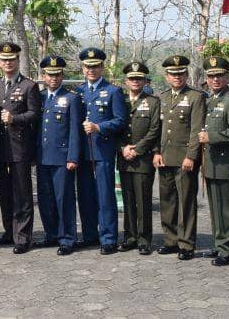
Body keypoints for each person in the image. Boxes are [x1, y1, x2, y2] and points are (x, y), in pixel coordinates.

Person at [75, 47, 127, 255]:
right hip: (82, 153)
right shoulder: (78, 92)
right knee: (86, 196)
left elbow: (120, 120)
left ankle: (108, 238)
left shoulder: (113, 91)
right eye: (88, 66)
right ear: (83, 68)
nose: (91, 70)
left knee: (105, 196)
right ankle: (90, 235)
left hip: (102, 150)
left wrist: (99, 127)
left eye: (96, 66)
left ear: (102, 67)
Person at [0, 42, 41, 253]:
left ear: (18, 61)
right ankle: (9, 230)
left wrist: (14, 118)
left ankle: (23, 237)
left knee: (22, 193)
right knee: (4, 192)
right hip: (0, 149)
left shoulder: (29, 86)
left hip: (19, 147)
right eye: (4, 60)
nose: (8, 63)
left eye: (12, 59)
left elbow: (34, 114)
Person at [154, 55, 205, 261]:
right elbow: (157, 129)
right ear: (167, 76)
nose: (177, 77)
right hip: (165, 157)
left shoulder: (195, 97)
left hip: (184, 158)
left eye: (181, 73)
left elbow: (196, 129)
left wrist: (191, 156)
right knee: (167, 201)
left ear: (186, 75)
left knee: (186, 202)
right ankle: (171, 240)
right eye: (173, 74)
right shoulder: (162, 97)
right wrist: (156, 152)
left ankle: (186, 243)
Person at [197, 56, 229, 266]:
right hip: (212, 163)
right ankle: (219, 244)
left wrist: (212, 138)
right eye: (211, 76)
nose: (215, 79)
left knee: (227, 208)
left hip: (226, 163)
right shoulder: (210, 99)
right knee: (216, 207)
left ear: (226, 77)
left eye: (220, 76)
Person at [35, 56, 81, 255]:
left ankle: (67, 238)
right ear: (43, 76)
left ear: (62, 76)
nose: (53, 78)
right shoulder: (39, 97)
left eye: (57, 74)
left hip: (62, 158)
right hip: (42, 156)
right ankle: (51, 234)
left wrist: (72, 157)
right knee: (45, 199)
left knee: (64, 199)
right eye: (49, 74)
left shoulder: (71, 98)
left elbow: (74, 131)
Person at [118, 61, 160, 255]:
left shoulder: (152, 102)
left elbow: (154, 130)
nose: (135, 81)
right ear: (126, 81)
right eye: (132, 78)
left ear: (145, 81)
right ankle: (130, 237)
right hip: (124, 157)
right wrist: (122, 148)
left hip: (142, 159)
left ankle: (144, 239)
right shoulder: (120, 101)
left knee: (143, 201)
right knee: (127, 200)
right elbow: (115, 126)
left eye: (139, 78)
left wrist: (138, 149)